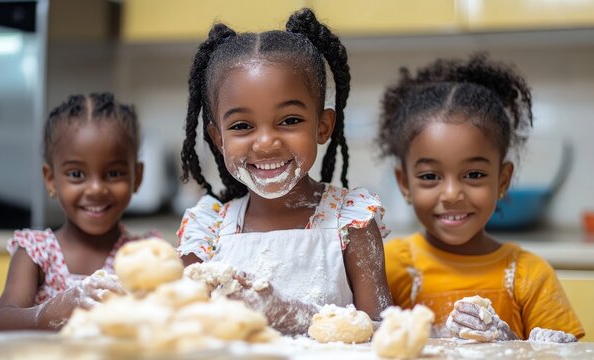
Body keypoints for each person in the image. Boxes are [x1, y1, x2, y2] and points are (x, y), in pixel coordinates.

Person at [176, 8, 392, 335]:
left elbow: (386, 334)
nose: (265, 143)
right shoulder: (208, 231)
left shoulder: (351, 222)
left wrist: (296, 315)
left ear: (323, 126)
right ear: (218, 139)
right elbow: (180, 329)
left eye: (290, 121)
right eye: (242, 126)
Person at [378, 53, 584, 342]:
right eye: (429, 177)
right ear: (404, 184)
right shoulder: (391, 267)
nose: (451, 194)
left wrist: (510, 345)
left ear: (502, 180)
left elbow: (563, 352)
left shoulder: (529, 275)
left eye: (473, 175)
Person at [0, 93, 156, 331]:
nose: (96, 189)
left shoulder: (145, 253)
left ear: (137, 177)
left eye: (114, 174)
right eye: (77, 174)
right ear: (51, 180)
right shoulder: (36, 253)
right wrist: (47, 313)